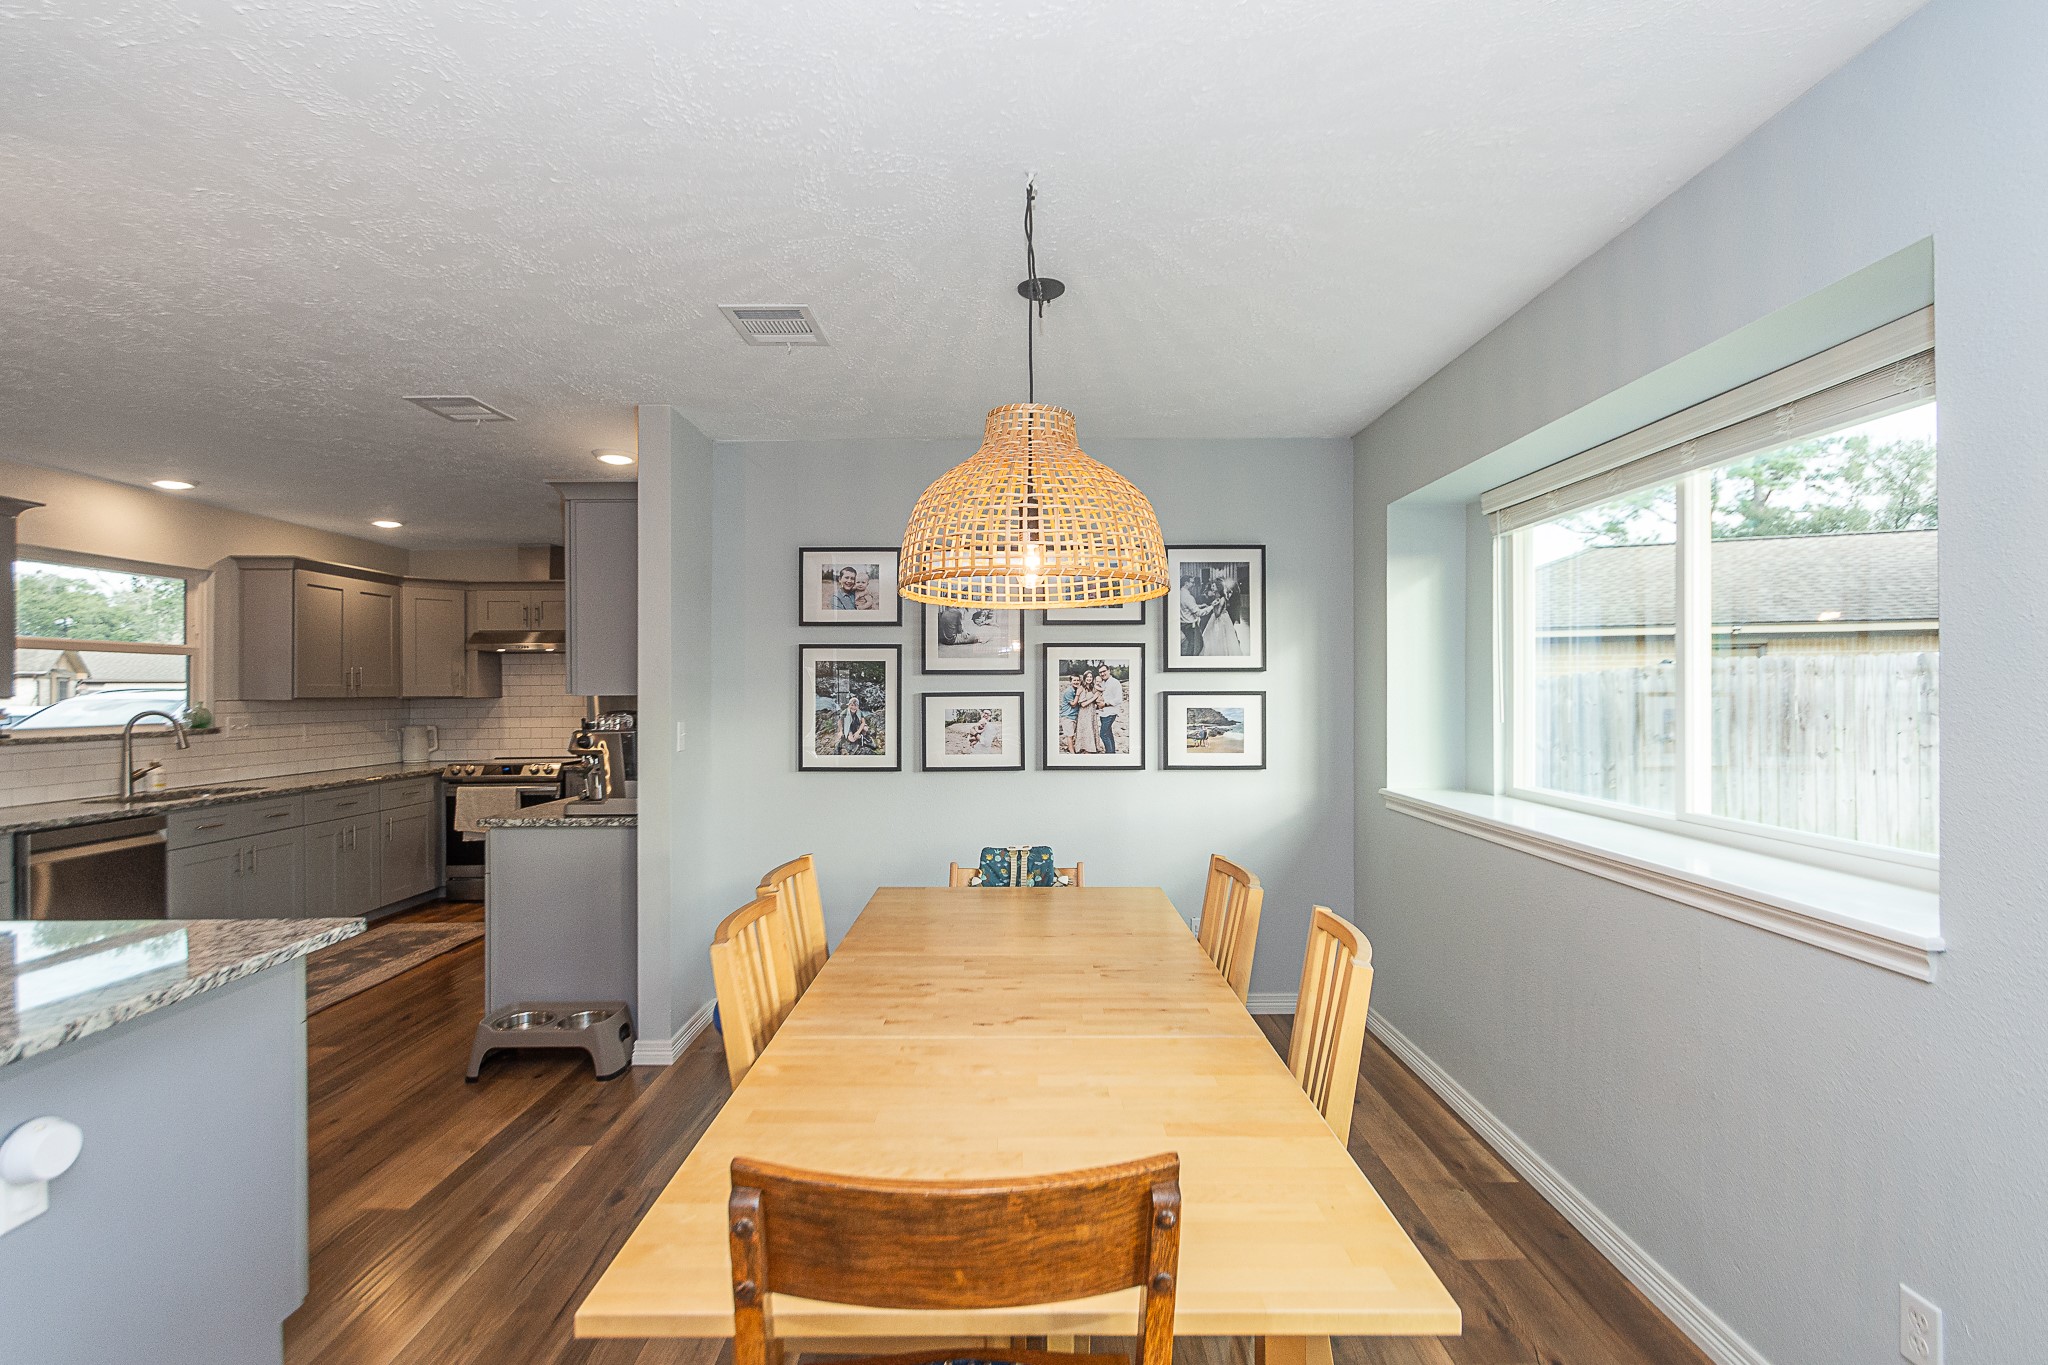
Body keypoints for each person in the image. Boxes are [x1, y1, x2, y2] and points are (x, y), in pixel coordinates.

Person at [1096, 664, 1123, 754]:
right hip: (1103, 713)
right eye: (1100, 672)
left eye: (1104, 671)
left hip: (1111, 712)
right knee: (1108, 733)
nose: (1102, 674)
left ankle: (1109, 753)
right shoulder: (1102, 683)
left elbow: (1119, 699)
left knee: (1103, 734)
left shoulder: (1115, 682)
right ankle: (1112, 753)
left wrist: (1105, 704)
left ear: (1109, 671)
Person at [1073, 671, 1102, 753]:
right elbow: (1083, 704)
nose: (1089, 678)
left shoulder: (1092, 688)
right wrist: (1094, 698)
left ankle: (1092, 747)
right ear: (1084, 678)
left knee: (1091, 728)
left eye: (1091, 677)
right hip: (1084, 713)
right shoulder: (1081, 688)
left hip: (1091, 712)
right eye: (1088, 677)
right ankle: (1083, 747)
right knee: (1085, 729)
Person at [1059, 675, 1080, 752]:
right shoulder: (1069, 691)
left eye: (1078, 680)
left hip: (1074, 716)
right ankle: (1072, 753)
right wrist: (1078, 694)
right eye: (1074, 680)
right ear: (1070, 681)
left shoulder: (1076, 689)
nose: (1076, 682)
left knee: (1073, 734)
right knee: (1070, 735)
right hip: (1067, 716)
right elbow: (1073, 704)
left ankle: (1071, 748)